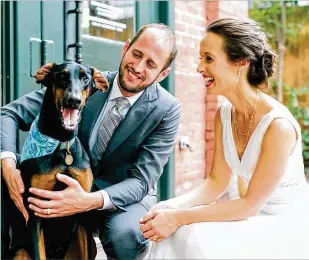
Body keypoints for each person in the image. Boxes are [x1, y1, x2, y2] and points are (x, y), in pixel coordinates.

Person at [140, 18, 309, 259]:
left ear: (240, 63)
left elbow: (250, 205)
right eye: (201, 59)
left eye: (209, 58)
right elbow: (216, 183)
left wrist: (179, 217)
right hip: (250, 215)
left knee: (191, 235)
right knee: (168, 218)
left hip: (286, 224)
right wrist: (172, 207)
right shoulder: (224, 114)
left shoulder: (278, 126)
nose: (199, 68)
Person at [1, 23, 181, 260]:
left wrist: (88, 201)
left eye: (150, 64)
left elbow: (140, 181)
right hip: (63, 186)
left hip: (119, 198)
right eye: (136, 54)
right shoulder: (82, 82)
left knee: (124, 234)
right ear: (125, 48)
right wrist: (7, 163)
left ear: (163, 74)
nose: (137, 67)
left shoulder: (166, 109)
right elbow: (9, 114)